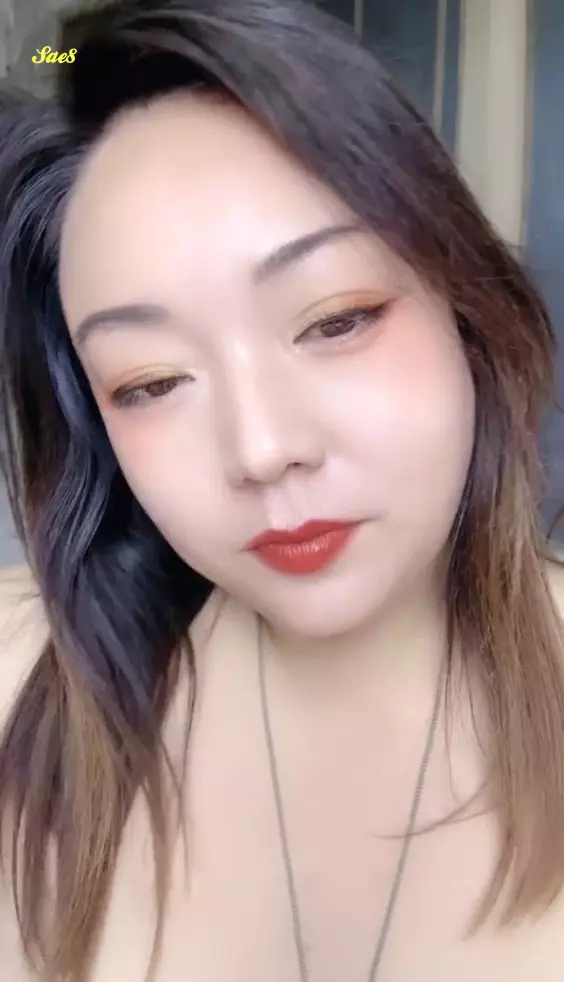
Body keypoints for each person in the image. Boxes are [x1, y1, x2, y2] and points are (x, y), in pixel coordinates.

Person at [1, 0, 564, 979]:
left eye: (336, 320)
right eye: (151, 382)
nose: (261, 449)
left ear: (467, 307)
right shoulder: (19, 685)